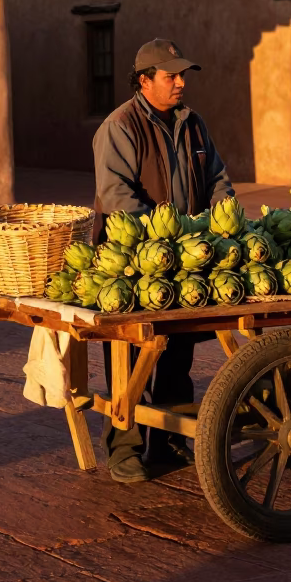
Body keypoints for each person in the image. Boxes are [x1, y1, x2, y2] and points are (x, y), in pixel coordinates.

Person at [92, 38, 234, 483]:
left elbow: (218, 179)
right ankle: (124, 448)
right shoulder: (120, 127)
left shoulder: (194, 125)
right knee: (130, 356)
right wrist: (168, 234)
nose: (180, 83)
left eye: (182, 75)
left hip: (185, 259)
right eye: (170, 76)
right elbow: (118, 198)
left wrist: (220, 222)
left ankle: (170, 442)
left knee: (177, 350)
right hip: (130, 261)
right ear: (144, 81)